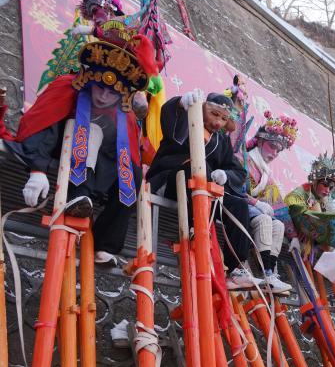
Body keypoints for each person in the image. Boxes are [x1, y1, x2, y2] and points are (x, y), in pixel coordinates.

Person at [4, 29, 158, 264]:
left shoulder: (123, 113)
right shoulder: (69, 86)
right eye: (100, 87)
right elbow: (43, 123)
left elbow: (127, 156)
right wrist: (37, 169)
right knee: (92, 131)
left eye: (112, 92)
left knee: (132, 172)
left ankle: (105, 243)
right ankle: (79, 196)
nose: (104, 97)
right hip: (59, 150)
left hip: (96, 167)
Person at [147, 88, 262, 290]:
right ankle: (196, 230)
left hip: (205, 194)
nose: (218, 122)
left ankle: (235, 268)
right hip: (172, 181)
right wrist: (180, 104)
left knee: (238, 205)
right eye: (214, 114)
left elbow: (238, 171)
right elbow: (168, 117)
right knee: (198, 166)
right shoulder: (186, 119)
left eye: (224, 118)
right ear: (202, 109)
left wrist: (225, 175)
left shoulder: (222, 140)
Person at [235, 107, 295, 293]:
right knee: (265, 219)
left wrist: (293, 236)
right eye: (272, 146)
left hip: (251, 213)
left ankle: (269, 273)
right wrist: (255, 203)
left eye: (279, 150)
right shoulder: (241, 159)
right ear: (260, 141)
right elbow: (234, 188)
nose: (275, 153)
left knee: (278, 225)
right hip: (235, 207)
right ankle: (262, 270)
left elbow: (278, 206)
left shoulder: (266, 174)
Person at [283, 151, 335, 283]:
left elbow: (329, 215)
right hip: (301, 242)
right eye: (325, 184)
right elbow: (292, 208)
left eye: (331, 187)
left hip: (319, 245)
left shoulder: (325, 201)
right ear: (315, 181)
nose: (328, 190)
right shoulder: (300, 192)